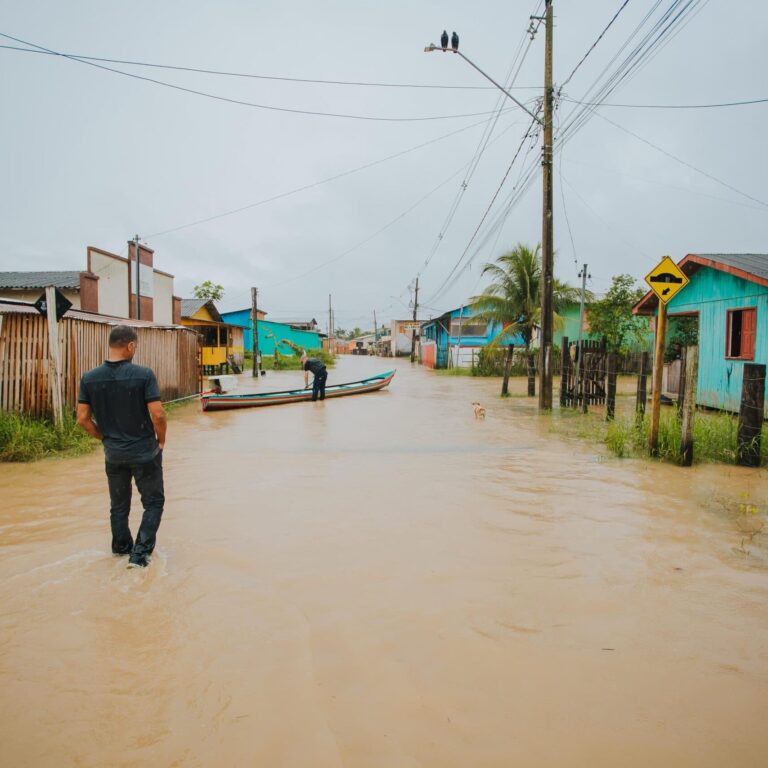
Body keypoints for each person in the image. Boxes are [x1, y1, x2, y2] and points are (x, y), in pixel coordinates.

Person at [76, 325, 167, 569]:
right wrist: (161, 440)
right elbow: (158, 414)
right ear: (130, 345)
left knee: (118, 506)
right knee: (153, 503)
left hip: (114, 454)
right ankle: (139, 556)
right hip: (145, 452)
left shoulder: (89, 377)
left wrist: (104, 438)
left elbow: (82, 418)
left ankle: (120, 551)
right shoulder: (144, 374)